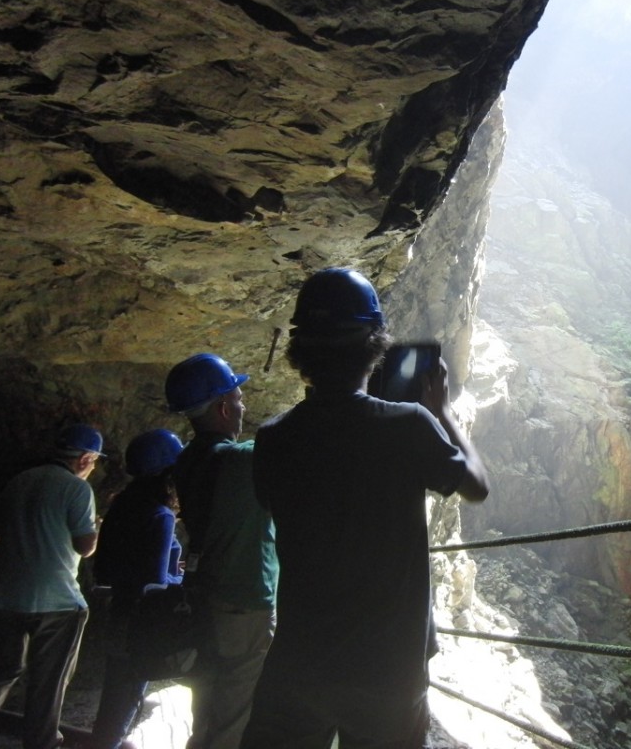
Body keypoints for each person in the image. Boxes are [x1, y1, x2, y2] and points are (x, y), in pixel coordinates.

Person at [240, 267, 490, 749]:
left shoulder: (273, 439)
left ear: (300, 352)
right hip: (388, 668)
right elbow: (476, 486)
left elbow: (279, 501)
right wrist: (444, 415)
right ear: (374, 348)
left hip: (299, 662)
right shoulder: (408, 425)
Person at [0, 423, 103, 749]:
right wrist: (95, 527)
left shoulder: (19, 482)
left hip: (4, 597)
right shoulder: (77, 489)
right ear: (85, 459)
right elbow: (84, 546)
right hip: (58, 602)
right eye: (94, 462)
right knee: (48, 685)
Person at [164, 354, 278, 749]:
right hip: (243, 600)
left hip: (204, 595)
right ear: (224, 406)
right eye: (240, 397)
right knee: (236, 711)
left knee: (207, 703)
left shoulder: (186, 459)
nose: (244, 406)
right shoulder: (239, 460)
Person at [86, 428, 185, 749]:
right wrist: (183, 580)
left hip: (117, 612)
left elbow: (104, 567)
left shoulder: (120, 506)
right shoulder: (160, 515)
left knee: (114, 696)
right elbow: (154, 581)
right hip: (140, 621)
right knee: (126, 699)